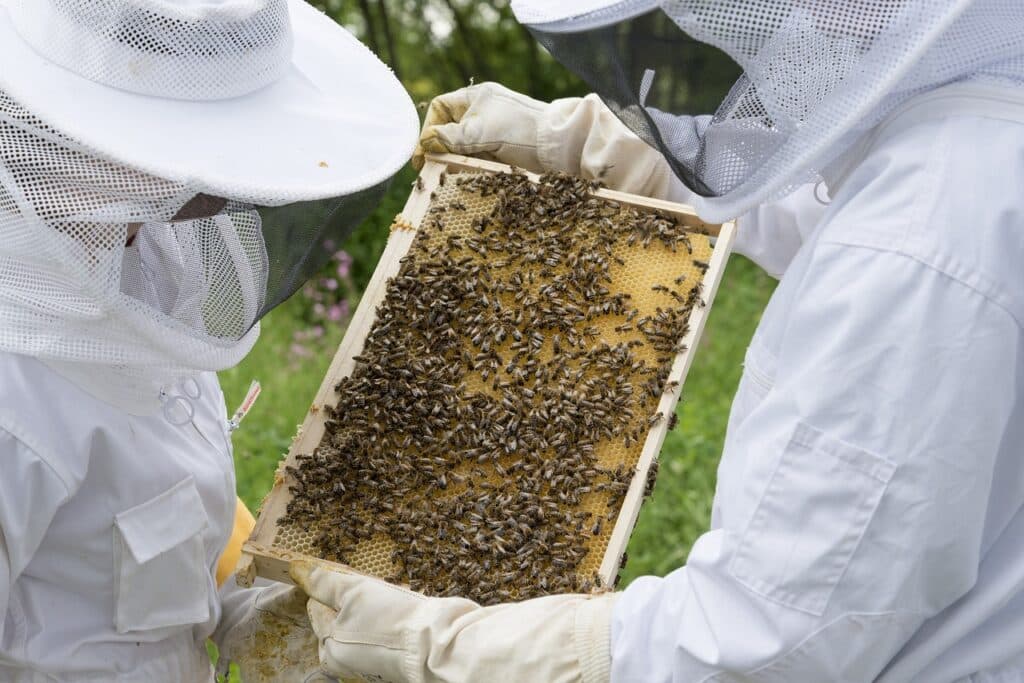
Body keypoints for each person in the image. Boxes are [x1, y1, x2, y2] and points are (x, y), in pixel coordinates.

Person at [291, 2, 1024, 682]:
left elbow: (766, 643)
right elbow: (830, 212)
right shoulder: (975, 140)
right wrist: (635, 162)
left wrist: (446, 645)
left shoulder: (920, 242)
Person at [0, 0, 417, 680]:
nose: (217, 184)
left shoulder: (141, 260)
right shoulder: (14, 391)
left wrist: (266, 608)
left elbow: (148, 506)